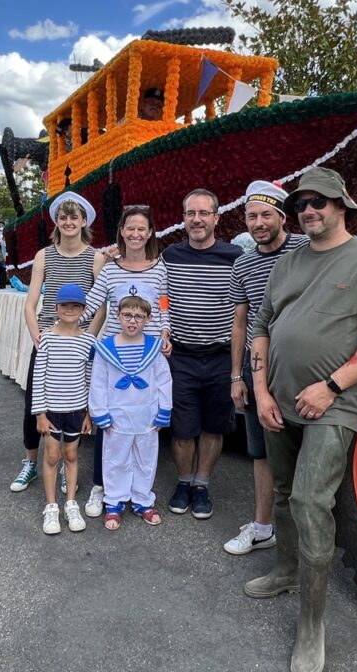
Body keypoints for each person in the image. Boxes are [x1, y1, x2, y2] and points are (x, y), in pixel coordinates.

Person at [248, 167, 357, 672]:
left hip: (333, 405)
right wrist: (260, 390)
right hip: (278, 400)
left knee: (313, 501)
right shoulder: (288, 262)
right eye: (301, 204)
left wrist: (332, 385)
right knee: (287, 493)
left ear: (342, 206)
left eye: (319, 201)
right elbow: (261, 327)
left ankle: (312, 627)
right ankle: (288, 569)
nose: (308, 210)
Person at [224, 180, 357, 556]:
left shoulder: (310, 245)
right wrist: (243, 379)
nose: (258, 221)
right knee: (267, 464)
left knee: (309, 495)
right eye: (251, 215)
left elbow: (347, 249)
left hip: (328, 392)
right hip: (267, 380)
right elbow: (248, 323)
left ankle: (312, 600)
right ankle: (265, 532)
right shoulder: (251, 263)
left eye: (266, 214)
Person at [78, 204, 170, 517]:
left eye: (141, 228)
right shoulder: (110, 268)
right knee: (113, 428)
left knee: (143, 436)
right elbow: (91, 303)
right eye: (130, 228)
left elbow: (163, 302)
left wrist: (166, 331)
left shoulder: (159, 267)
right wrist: (67, 326)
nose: (135, 234)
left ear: (150, 233)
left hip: (149, 352)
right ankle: (105, 491)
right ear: (121, 231)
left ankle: (141, 496)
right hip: (115, 353)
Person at [12, 190, 106, 493]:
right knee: (35, 404)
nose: (68, 221)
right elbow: (30, 302)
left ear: (83, 221)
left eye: (73, 217)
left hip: (78, 343)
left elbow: (102, 302)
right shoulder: (44, 255)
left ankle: (67, 467)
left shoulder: (96, 257)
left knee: (74, 404)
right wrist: (36, 333)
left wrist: (90, 335)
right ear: (57, 221)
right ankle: (30, 463)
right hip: (48, 340)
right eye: (63, 217)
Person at [161, 188, 241, 520]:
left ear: (216, 218)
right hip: (181, 357)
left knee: (213, 427)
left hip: (222, 356)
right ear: (183, 219)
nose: (197, 219)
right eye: (190, 213)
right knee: (182, 428)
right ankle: (183, 482)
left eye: (204, 213)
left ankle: (201, 484)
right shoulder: (169, 256)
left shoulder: (236, 256)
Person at [90, 287, 172, 530]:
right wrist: (100, 412)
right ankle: (114, 501)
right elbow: (98, 383)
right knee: (115, 459)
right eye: (127, 315)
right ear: (117, 316)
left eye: (138, 316)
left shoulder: (154, 348)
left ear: (148, 319)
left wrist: (164, 410)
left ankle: (142, 499)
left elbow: (164, 380)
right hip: (117, 416)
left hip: (146, 415)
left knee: (145, 459)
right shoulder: (105, 349)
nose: (132, 321)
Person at [32, 283, 96, 535]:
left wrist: (90, 412)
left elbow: (91, 378)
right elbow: (38, 377)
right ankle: (51, 507)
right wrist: (39, 413)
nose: (70, 310)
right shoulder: (46, 337)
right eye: (65, 305)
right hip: (51, 411)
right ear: (56, 307)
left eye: (76, 305)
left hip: (77, 410)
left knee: (71, 455)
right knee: (51, 456)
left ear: (83, 309)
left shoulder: (89, 340)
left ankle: (71, 503)